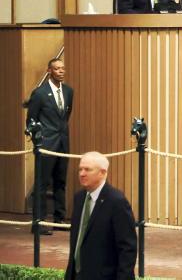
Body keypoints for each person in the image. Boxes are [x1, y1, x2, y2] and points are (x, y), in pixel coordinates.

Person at [65, 152, 137, 280]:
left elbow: (127, 248)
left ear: (103, 173)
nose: (82, 174)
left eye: (87, 169)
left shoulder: (116, 201)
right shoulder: (79, 198)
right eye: (80, 169)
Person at [26, 58, 73, 234]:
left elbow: (65, 116)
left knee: (60, 181)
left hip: (63, 142)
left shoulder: (68, 91)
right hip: (46, 144)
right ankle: (38, 223)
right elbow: (31, 119)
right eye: (57, 69)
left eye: (62, 68)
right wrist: (39, 139)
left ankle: (59, 219)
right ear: (49, 71)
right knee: (42, 184)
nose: (61, 71)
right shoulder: (39, 93)